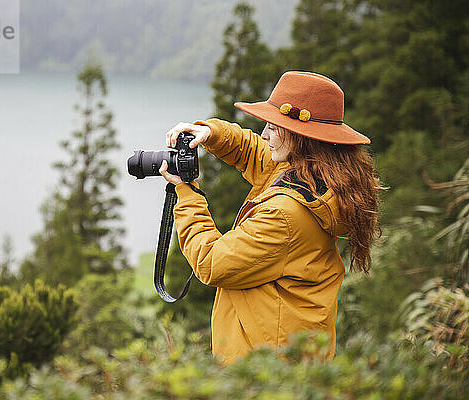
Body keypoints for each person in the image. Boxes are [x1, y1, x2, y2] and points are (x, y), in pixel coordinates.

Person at [158, 71, 381, 364]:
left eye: (274, 127)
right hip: (286, 351)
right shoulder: (318, 178)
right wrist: (212, 134)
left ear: (302, 138)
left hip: (266, 366)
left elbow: (212, 263)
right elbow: (255, 152)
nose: (265, 134)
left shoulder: (286, 214)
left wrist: (186, 194)